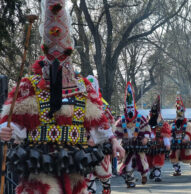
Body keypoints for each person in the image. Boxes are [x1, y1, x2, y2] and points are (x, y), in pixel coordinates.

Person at [0, 1, 124, 193]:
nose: (60, 66)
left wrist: (114, 141)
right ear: (44, 58)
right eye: (53, 60)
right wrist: (5, 130)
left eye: (65, 59)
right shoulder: (29, 86)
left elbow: (100, 125)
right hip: (38, 165)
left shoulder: (84, 87)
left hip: (74, 166)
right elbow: (12, 123)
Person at [115, 82, 151, 188]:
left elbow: (147, 129)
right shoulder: (121, 120)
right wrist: (117, 143)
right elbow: (116, 133)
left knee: (141, 159)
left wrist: (146, 138)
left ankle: (144, 174)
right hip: (127, 144)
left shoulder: (141, 118)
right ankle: (130, 180)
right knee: (127, 161)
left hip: (139, 142)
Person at [85, 75, 116, 194]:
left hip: (100, 146)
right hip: (84, 146)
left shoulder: (104, 108)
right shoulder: (78, 107)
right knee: (87, 175)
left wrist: (106, 138)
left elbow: (111, 124)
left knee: (104, 174)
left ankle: (106, 188)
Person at [147, 95, 171, 182]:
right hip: (149, 145)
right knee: (149, 159)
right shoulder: (147, 123)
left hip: (159, 144)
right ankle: (152, 171)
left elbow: (166, 135)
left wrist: (167, 144)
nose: (153, 114)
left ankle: (157, 175)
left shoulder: (162, 124)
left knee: (158, 159)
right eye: (152, 113)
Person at [169, 95, 191, 176]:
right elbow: (170, 133)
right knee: (173, 157)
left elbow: (190, 133)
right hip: (175, 143)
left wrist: (186, 138)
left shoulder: (188, 124)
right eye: (178, 115)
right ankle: (177, 170)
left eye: (180, 115)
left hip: (184, 143)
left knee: (187, 157)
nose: (179, 117)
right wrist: (170, 139)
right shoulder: (173, 124)